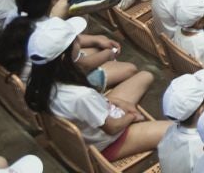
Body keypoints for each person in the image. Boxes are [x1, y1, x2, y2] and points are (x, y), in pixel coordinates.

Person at [25, 15, 172, 157]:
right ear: (64, 57)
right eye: (75, 40)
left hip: (97, 120)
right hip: (110, 141)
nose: (79, 42)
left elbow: (91, 104)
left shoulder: (41, 83)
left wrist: (118, 102)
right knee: (174, 131)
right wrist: (131, 116)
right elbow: (112, 128)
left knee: (145, 76)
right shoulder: (80, 96)